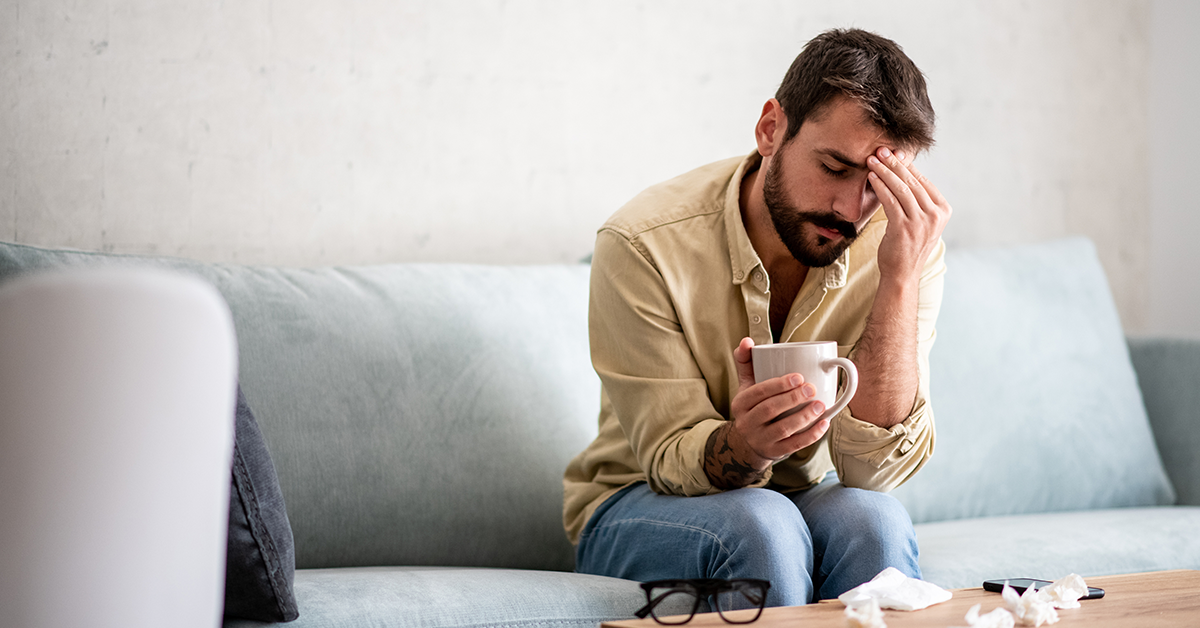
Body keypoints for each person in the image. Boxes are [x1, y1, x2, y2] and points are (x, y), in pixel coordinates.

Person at [562, 28, 952, 607]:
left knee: (876, 522)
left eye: (876, 185)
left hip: (797, 495)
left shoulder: (899, 243)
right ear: (771, 129)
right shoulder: (642, 244)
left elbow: (872, 474)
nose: (851, 210)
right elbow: (669, 458)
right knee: (762, 526)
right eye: (834, 167)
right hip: (637, 502)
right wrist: (747, 446)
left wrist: (898, 278)